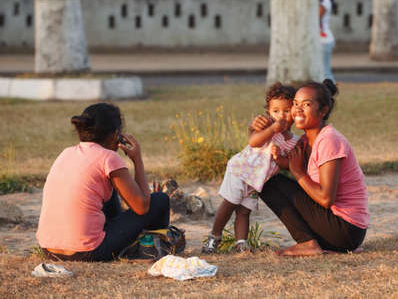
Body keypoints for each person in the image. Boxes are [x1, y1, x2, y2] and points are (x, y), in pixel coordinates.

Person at [36, 103, 170, 261]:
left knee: (108, 191)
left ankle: (135, 241)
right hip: (88, 252)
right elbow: (142, 207)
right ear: (115, 135)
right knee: (161, 200)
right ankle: (151, 244)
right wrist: (137, 160)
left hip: (49, 249)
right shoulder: (109, 157)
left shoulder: (66, 153)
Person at [251, 79, 369, 256]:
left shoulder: (329, 140)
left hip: (346, 229)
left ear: (323, 110)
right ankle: (309, 242)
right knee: (266, 181)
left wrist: (297, 172)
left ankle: (307, 243)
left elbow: (326, 198)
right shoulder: (305, 141)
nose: (298, 109)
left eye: (306, 104)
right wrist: (256, 129)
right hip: (335, 226)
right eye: (295, 104)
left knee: (271, 183)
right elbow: (286, 165)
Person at [202, 82, 300, 253]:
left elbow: (287, 165)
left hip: (256, 182)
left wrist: (280, 157)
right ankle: (214, 237)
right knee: (230, 203)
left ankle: (241, 243)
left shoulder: (293, 141)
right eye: (276, 111)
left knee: (244, 211)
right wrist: (272, 129)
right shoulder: (265, 127)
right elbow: (253, 141)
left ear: (294, 112)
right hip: (240, 171)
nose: (281, 116)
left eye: (286, 111)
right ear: (268, 112)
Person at [320, 0, 335, 82]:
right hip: (321, 40)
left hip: (324, 41)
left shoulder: (324, 2)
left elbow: (317, 18)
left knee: (325, 72)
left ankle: (331, 93)